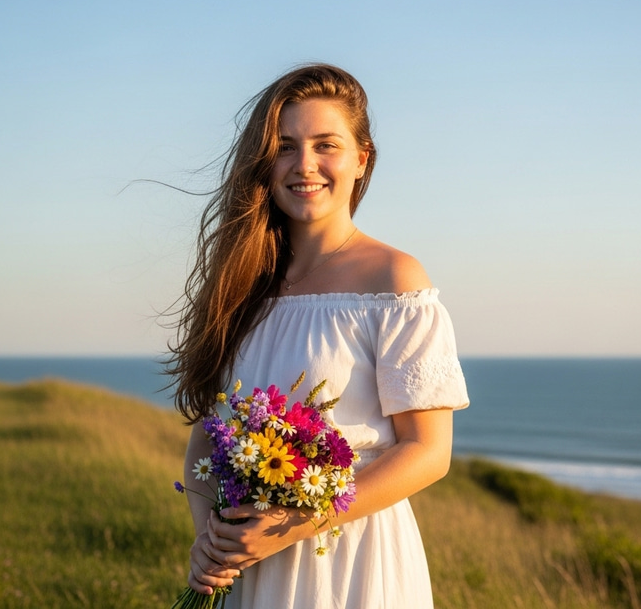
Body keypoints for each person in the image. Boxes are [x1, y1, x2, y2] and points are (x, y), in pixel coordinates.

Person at [167, 64, 469, 608]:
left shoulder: (394, 281)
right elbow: (206, 439)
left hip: (352, 564)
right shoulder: (243, 283)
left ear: (361, 159)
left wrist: (295, 522)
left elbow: (428, 452)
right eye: (284, 147)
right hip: (250, 567)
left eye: (325, 144)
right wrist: (211, 541)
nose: (304, 165)